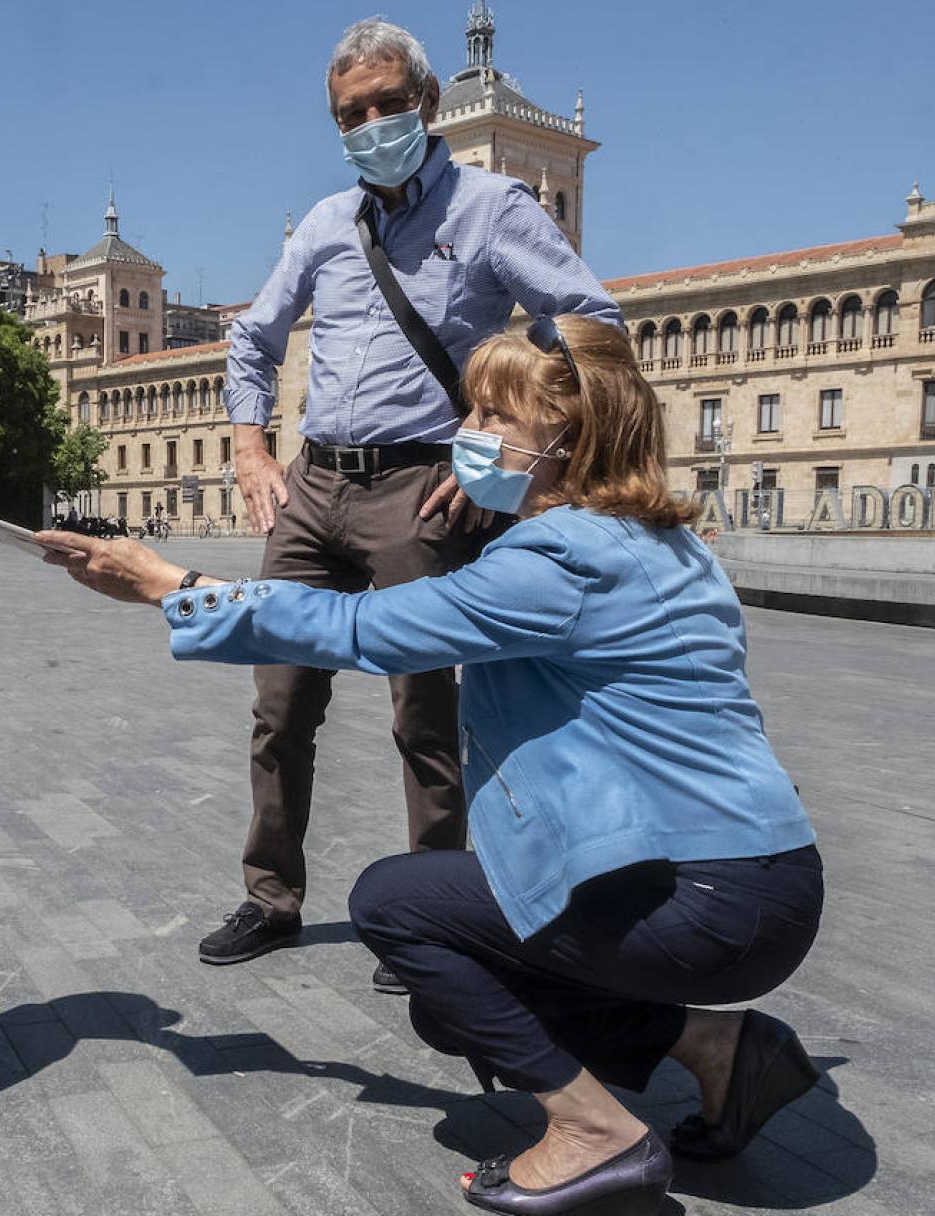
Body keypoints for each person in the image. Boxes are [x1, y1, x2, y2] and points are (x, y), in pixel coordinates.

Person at [41, 315, 823, 1216]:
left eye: (499, 416)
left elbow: (361, 628)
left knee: (395, 903)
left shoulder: (559, 555)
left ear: (575, 434)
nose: (470, 436)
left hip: (699, 900)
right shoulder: (667, 542)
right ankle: (721, 1053)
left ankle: (595, 1134)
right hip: (768, 882)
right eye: (473, 409)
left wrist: (168, 586)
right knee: (444, 997)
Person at [210, 18, 623, 991]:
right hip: (314, 484)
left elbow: (593, 324)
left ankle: (435, 915)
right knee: (279, 706)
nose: (372, 125)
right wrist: (249, 447)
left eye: (388, 105)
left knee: (426, 713)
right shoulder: (325, 223)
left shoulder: (492, 209)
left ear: (427, 106)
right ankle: (271, 893)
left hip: (423, 486)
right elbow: (252, 339)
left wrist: (497, 466)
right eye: (352, 113)